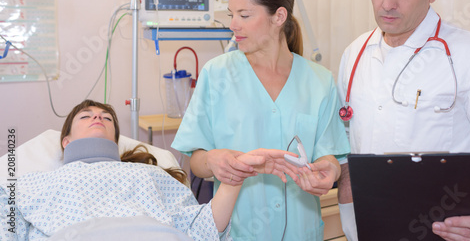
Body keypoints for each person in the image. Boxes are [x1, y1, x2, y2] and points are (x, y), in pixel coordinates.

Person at [336, 0, 470, 241]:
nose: (387, 3)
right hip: (365, 227)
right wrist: (345, 193)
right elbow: (346, 140)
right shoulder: (354, 53)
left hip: (443, 228)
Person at [172, 0, 350, 240]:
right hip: (239, 231)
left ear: (279, 16)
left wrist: (330, 169)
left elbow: (329, 154)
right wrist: (211, 160)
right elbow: (195, 161)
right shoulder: (216, 74)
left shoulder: (319, 81)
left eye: (244, 15)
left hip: (302, 231)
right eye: (231, 14)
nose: (233, 24)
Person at [0, 99, 299, 241]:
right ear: (65, 141)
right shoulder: (30, 184)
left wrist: (235, 178)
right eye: (86, 116)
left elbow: (202, 229)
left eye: (106, 117)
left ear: (116, 141)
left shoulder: (151, 174)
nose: (97, 118)